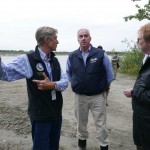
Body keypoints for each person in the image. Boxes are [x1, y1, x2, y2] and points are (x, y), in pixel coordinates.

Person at [0, 26, 68, 150]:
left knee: (54, 147)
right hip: (40, 115)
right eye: (55, 38)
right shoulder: (28, 59)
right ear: (47, 40)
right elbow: (5, 74)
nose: (57, 41)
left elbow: (65, 82)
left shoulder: (55, 60)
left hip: (56, 114)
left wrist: (52, 85)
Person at [66, 29, 113, 150]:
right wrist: (78, 83)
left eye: (86, 36)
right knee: (81, 122)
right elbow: (69, 74)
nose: (83, 38)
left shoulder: (101, 54)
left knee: (101, 124)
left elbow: (109, 75)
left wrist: (104, 89)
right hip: (79, 97)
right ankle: (82, 144)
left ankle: (103, 145)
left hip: (98, 96)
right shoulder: (72, 56)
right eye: (80, 36)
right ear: (77, 39)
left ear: (90, 39)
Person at [124, 23, 150, 150]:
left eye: (139, 39)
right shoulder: (146, 58)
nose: (137, 42)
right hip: (140, 115)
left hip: (147, 119)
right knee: (139, 144)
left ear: (148, 41)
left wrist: (134, 93)